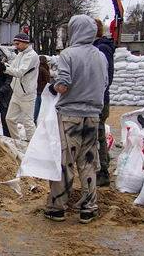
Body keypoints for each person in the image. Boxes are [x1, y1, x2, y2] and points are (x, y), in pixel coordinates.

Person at [45, 14, 108, 224]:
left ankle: (57, 207)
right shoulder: (100, 56)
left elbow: (63, 85)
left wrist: (52, 87)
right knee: (88, 162)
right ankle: (89, 208)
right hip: (92, 116)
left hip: (70, 116)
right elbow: (105, 83)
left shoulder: (68, 54)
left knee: (65, 163)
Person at [0, 33, 38, 141]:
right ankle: (17, 142)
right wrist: (5, 66)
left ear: (25, 43)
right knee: (10, 119)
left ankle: (33, 145)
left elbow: (20, 72)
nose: (16, 46)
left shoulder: (32, 55)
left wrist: (5, 69)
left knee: (28, 121)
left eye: (18, 43)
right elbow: (13, 67)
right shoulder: (20, 54)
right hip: (16, 92)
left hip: (27, 94)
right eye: (15, 44)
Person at [93, 19, 115, 187]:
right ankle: (103, 162)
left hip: (98, 100)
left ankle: (103, 172)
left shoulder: (102, 49)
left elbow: (105, 78)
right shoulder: (99, 47)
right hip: (96, 98)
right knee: (96, 134)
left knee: (98, 135)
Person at [34, 55, 51, 125]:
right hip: (43, 91)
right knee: (42, 107)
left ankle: (36, 120)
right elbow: (47, 81)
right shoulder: (44, 69)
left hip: (38, 91)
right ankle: (40, 121)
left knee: (37, 107)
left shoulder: (38, 68)